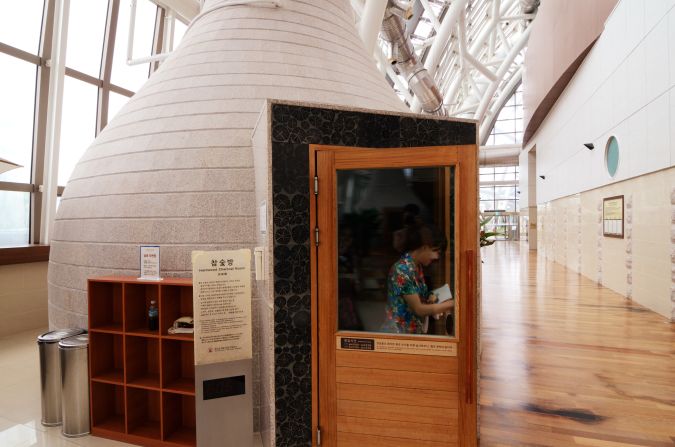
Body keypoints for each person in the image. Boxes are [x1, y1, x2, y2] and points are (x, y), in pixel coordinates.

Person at [381, 223, 454, 334]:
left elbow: (420, 297)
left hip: (412, 331)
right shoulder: (402, 270)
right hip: (398, 335)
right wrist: (454, 303)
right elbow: (419, 309)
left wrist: (438, 296)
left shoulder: (416, 266)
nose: (437, 257)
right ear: (425, 247)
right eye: (436, 251)